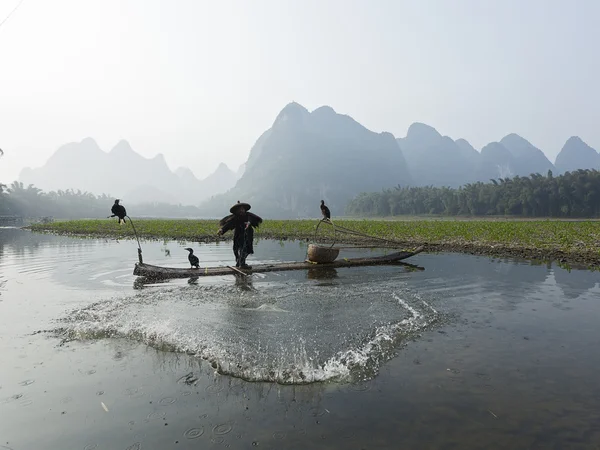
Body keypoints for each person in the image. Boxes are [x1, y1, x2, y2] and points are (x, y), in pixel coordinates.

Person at [217, 201, 263, 269]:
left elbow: (251, 220)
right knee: (237, 249)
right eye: (240, 209)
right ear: (237, 211)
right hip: (238, 235)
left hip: (248, 234)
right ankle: (240, 262)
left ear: (244, 209)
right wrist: (222, 230)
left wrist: (248, 223)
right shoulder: (235, 217)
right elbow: (228, 224)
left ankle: (241, 263)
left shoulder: (249, 215)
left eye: (242, 209)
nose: (241, 210)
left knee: (246, 249)